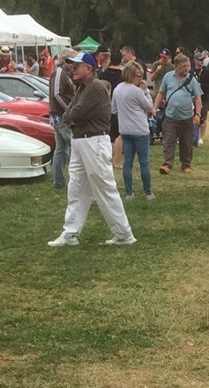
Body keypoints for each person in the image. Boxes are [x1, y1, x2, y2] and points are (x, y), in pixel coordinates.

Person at [47, 52, 134, 248]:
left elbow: (73, 114)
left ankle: (124, 233)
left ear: (89, 68)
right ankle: (70, 233)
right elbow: (69, 113)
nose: (73, 68)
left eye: (77, 65)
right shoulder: (82, 87)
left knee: (104, 187)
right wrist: (72, 116)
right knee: (76, 188)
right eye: (72, 65)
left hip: (93, 142)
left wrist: (72, 116)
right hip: (81, 141)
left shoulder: (94, 87)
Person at [153, 53, 202, 174]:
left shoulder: (192, 80)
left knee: (186, 142)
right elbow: (161, 93)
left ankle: (186, 165)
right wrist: (155, 107)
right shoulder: (168, 77)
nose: (187, 69)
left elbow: (197, 98)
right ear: (176, 66)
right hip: (170, 116)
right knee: (169, 140)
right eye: (184, 66)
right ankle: (167, 164)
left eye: (188, 66)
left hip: (187, 117)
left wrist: (198, 114)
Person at [112, 60, 154, 199]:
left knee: (127, 163)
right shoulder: (137, 91)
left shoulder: (117, 89)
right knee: (144, 163)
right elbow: (149, 107)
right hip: (140, 130)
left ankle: (129, 193)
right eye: (138, 76)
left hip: (125, 130)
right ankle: (148, 192)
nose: (140, 79)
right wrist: (146, 91)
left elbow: (113, 109)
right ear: (131, 75)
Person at [49, 49, 77, 189]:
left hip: (59, 115)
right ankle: (73, 179)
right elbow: (57, 94)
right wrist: (68, 109)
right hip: (61, 115)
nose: (73, 64)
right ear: (64, 60)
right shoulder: (60, 72)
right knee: (73, 146)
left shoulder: (63, 73)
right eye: (71, 61)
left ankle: (59, 181)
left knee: (61, 149)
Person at [193, 52, 209, 146]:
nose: (201, 62)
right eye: (199, 60)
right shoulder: (191, 72)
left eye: (202, 60)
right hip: (192, 99)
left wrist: (201, 85)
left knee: (203, 118)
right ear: (195, 60)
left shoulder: (207, 72)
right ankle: (193, 136)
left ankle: (200, 137)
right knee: (192, 117)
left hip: (204, 98)